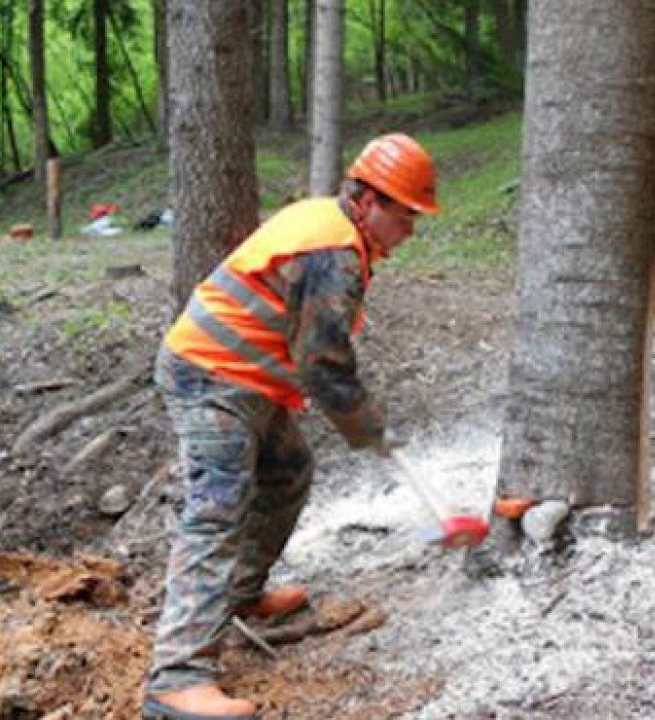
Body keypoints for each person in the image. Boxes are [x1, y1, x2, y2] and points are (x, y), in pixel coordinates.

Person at [142, 133, 439, 720]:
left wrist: (363, 424)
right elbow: (323, 363)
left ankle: (240, 594)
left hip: (243, 376)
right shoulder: (333, 251)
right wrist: (369, 428)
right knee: (216, 511)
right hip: (213, 375)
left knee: (287, 471)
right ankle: (175, 679)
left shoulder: (329, 226)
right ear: (369, 200)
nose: (410, 232)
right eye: (406, 216)